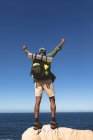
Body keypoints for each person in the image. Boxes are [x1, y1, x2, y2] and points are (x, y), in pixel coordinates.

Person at [22, 38, 65, 129]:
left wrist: (24, 49)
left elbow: (27, 53)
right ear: (45, 52)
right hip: (47, 81)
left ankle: (36, 122)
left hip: (37, 82)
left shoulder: (34, 57)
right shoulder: (48, 57)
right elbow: (55, 51)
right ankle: (53, 121)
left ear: (39, 52)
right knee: (52, 99)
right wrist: (61, 43)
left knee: (37, 101)